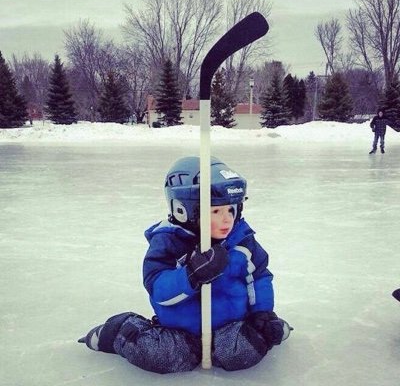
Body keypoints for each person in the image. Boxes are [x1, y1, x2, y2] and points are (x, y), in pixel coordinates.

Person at [78, 156, 292, 373]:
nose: (227, 219)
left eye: (231, 209)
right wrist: (192, 275)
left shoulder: (241, 241)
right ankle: (120, 331)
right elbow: (158, 288)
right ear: (184, 209)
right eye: (215, 211)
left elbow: (259, 277)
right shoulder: (169, 242)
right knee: (160, 357)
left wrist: (262, 314)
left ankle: (271, 329)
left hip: (231, 328)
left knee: (241, 354)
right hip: (181, 332)